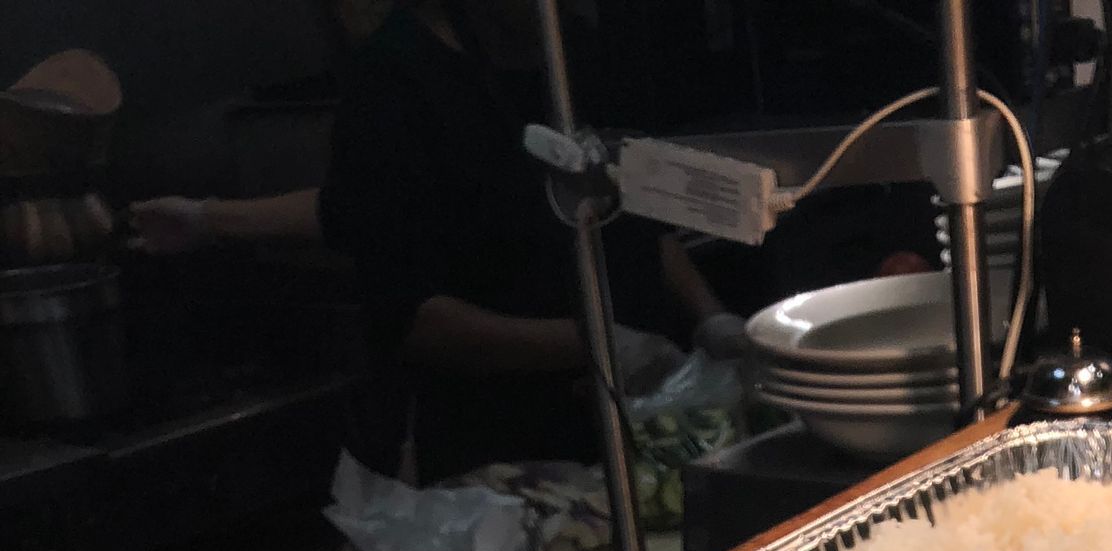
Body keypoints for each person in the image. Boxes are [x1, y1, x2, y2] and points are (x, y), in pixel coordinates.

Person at [133, 0, 734, 483]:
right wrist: (599, 347)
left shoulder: (574, 48)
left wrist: (710, 317)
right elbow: (416, 318)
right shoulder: (393, 83)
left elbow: (633, 214)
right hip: (507, 460)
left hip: (655, 425)